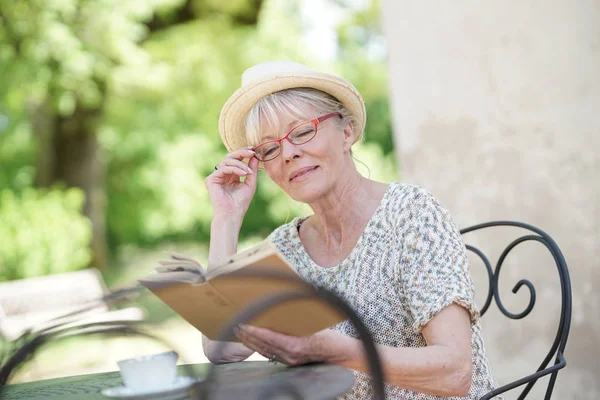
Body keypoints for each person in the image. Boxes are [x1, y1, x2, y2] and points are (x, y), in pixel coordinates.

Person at [202, 61, 498, 399]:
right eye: (269, 148)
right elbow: (221, 348)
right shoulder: (284, 250)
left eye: (301, 132)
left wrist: (337, 351)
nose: (288, 153)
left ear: (346, 132)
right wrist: (226, 218)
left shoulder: (410, 215)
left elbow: (456, 373)